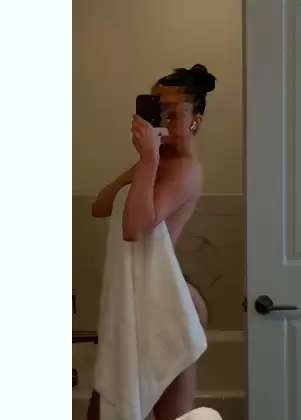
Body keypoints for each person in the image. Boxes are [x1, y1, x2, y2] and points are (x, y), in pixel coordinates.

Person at [87, 64, 217, 420]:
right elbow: (100, 205)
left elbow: (134, 227)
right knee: (107, 405)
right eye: (159, 111)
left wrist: (147, 160)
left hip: (170, 301)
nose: (164, 121)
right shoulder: (156, 162)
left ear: (195, 122)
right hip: (141, 295)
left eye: (174, 114)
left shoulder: (187, 169)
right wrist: (145, 162)